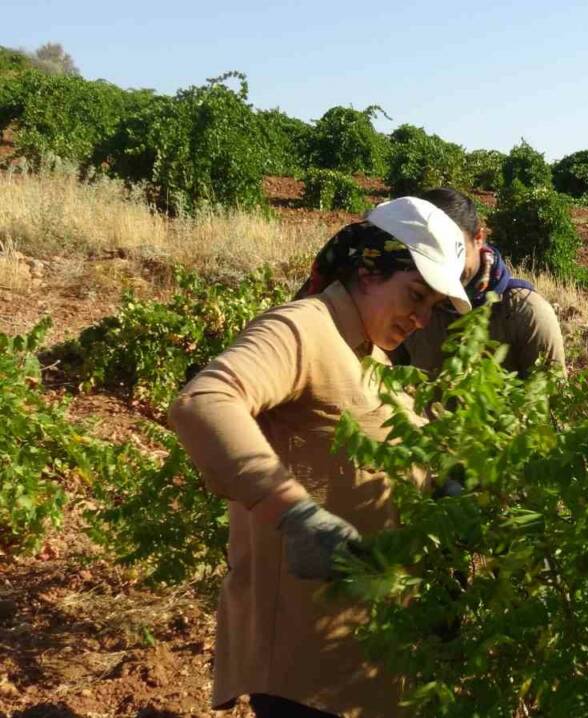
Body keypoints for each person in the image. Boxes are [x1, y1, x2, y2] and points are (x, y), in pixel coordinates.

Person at [169, 197, 475, 717]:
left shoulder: (372, 355)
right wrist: (293, 512)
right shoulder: (304, 328)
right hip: (302, 666)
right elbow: (205, 401)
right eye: (416, 296)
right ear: (367, 270)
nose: (423, 319)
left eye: (433, 307)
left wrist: (438, 486)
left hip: (359, 660)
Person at [394, 188, 565, 378]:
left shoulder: (527, 315)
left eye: (456, 257)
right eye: (432, 257)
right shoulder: (406, 302)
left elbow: (552, 401)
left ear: (478, 239)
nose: (446, 271)